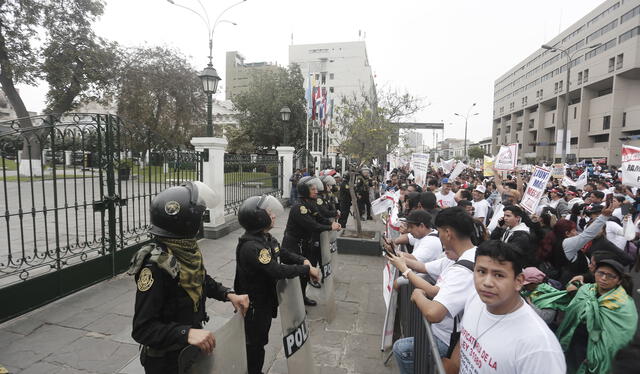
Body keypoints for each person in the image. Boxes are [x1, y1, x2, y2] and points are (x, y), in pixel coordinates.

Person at [129, 182, 250, 374]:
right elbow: (143, 329)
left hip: (189, 350)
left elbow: (201, 279)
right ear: (187, 221)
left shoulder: (186, 250)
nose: (202, 220)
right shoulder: (154, 266)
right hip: (166, 362)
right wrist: (187, 333)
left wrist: (228, 294)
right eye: (199, 216)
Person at [444, 240, 566, 374]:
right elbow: (463, 344)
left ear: (519, 281)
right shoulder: (475, 299)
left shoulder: (539, 347)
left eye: (499, 275)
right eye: (481, 271)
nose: (487, 282)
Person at [234, 195, 321, 374]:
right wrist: (305, 270)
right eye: (269, 213)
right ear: (258, 218)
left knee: (259, 341)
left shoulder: (265, 238)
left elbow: (282, 252)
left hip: (265, 300)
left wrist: (303, 260)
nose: (273, 215)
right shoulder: (252, 247)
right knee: (255, 344)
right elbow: (277, 270)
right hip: (254, 305)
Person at [388, 207, 477, 371]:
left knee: (402, 349)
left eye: (440, 231)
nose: (438, 235)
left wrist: (417, 293)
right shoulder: (457, 257)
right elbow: (423, 267)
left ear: (448, 233)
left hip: (447, 339)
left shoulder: (463, 269)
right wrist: (402, 260)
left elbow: (433, 313)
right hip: (445, 333)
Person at [557, 259, 638, 374]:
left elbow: (618, 339)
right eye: (600, 273)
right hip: (572, 342)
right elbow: (572, 312)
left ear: (619, 281)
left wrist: (595, 355)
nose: (604, 278)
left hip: (594, 353)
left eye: (610, 276)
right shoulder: (585, 290)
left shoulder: (624, 305)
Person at [282, 176, 341, 306]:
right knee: (295, 275)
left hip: (304, 243)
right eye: (313, 189)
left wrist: (331, 223)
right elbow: (312, 225)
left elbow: (319, 218)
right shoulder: (299, 207)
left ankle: (302, 297)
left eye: (316, 188)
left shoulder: (310, 203)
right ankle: (295, 303)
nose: (316, 191)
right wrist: (330, 226)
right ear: (304, 190)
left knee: (304, 274)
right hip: (293, 245)